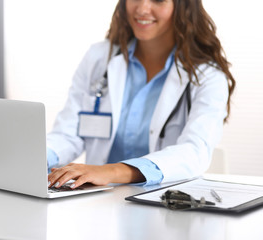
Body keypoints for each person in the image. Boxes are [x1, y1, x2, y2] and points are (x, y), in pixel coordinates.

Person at [46, 0, 235, 189]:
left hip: (162, 202)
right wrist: (35, 158)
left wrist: (110, 171)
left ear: (183, 6)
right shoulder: (99, 58)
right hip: (96, 197)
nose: (142, 9)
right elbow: (68, 134)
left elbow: (194, 152)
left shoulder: (207, 76)